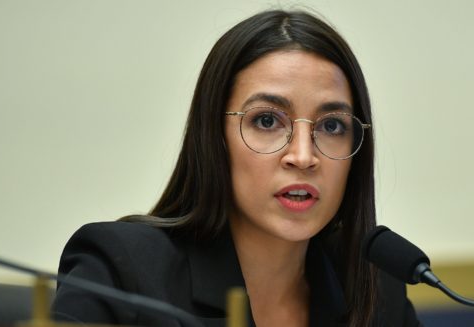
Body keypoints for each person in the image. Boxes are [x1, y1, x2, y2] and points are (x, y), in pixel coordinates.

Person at [51, 9, 421, 327]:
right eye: (266, 121)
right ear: (213, 136)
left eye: (330, 126)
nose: (304, 156)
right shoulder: (123, 272)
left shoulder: (375, 286)